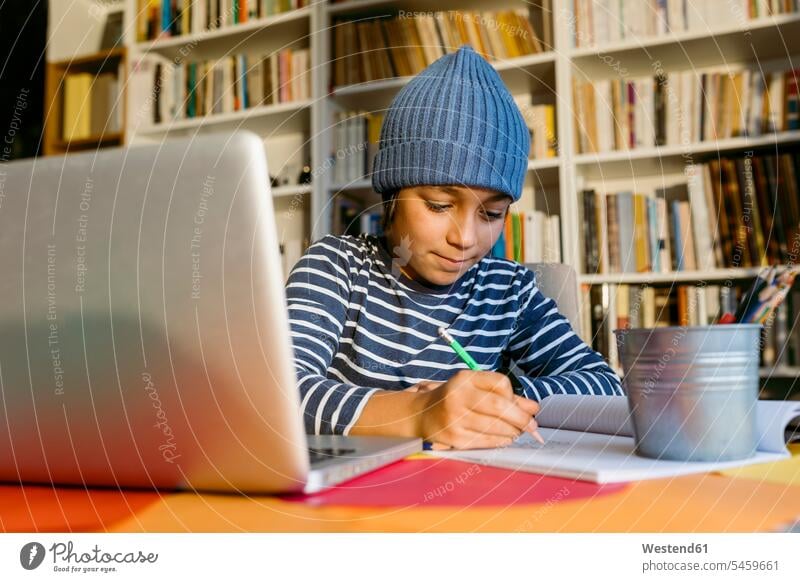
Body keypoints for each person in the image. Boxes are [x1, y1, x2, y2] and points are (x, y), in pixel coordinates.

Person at [285, 45, 623, 450]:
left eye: (491, 214)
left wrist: (497, 393)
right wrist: (422, 412)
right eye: (439, 206)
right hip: (349, 504)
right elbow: (280, 394)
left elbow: (604, 385)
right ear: (391, 195)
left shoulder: (508, 291)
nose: (464, 238)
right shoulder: (336, 266)